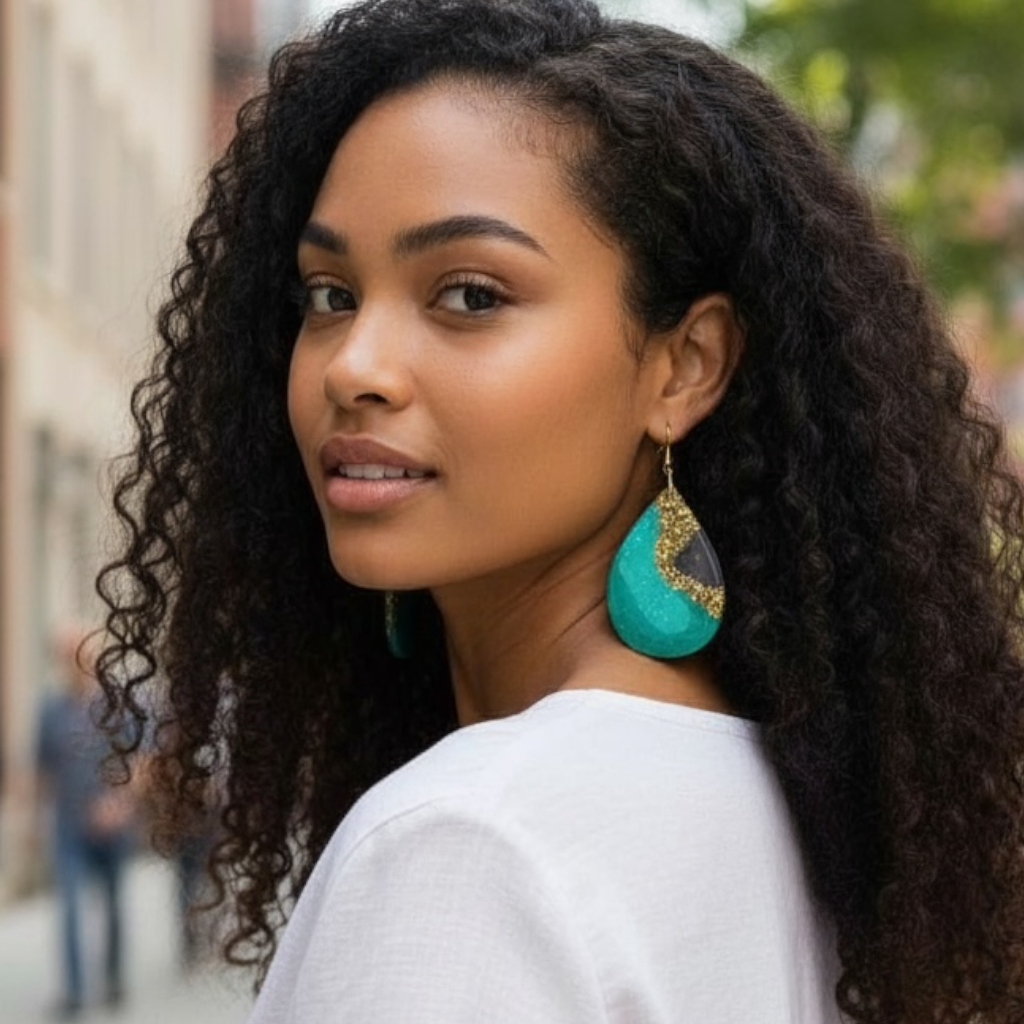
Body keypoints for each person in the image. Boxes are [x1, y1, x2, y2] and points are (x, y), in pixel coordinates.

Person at [94, 1, 1024, 1020]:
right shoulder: (803, 813)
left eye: (471, 295)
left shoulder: (469, 847)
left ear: (685, 365)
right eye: (328, 295)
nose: (352, 365)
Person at [36, 626, 135, 1017]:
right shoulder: (49, 711)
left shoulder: (116, 707)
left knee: (112, 904)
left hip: (112, 826)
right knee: (70, 906)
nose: (73, 662)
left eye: (79, 653)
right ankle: (75, 991)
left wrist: (120, 803)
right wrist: (36, 822)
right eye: (65, 655)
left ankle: (112, 978)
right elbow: (42, 769)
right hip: (68, 827)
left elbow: (139, 762)